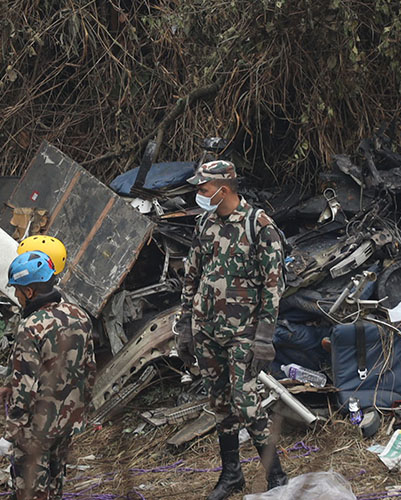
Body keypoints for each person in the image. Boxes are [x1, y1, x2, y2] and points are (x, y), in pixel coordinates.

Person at [174, 160, 289, 498]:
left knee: (247, 404)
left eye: (203, 189)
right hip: (207, 330)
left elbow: (273, 287)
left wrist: (265, 338)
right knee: (220, 404)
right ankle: (231, 476)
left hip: (244, 333)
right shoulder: (204, 223)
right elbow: (192, 276)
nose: (199, 194)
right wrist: (184, 326)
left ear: (223, 190)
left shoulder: (260, 226)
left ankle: (276, 476)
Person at [0, 250, 95, 500]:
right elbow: (89, 367)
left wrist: (11, 433)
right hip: (66, 420)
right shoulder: (79, 315)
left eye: (17, 291)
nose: (17, 297)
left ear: (29, 292)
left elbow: (25, 388)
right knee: (54, 481)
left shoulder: (30, 328)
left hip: (35, 430)